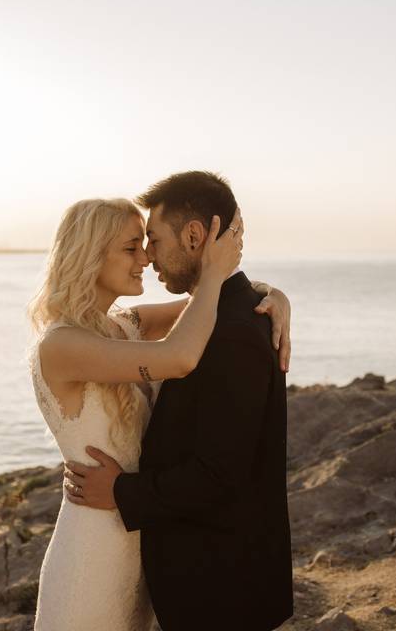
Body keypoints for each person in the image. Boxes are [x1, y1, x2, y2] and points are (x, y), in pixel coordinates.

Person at [28, 194, 291, 630]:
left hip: (141, 537)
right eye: (132, 247)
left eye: (146, 244)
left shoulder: (123, 326)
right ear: (90, 256)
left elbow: (217, 306)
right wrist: (213, 268)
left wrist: (272, 294)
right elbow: (180, 356)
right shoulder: (61, 345)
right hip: (93, 546)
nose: (146, 258)